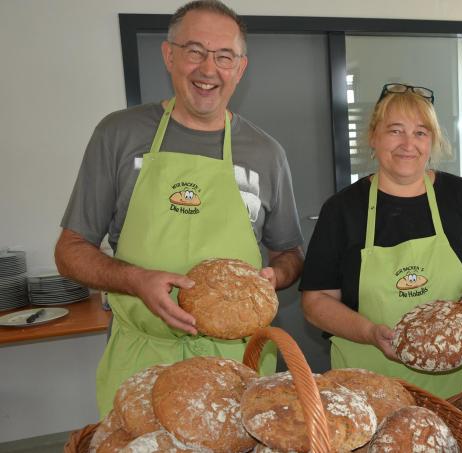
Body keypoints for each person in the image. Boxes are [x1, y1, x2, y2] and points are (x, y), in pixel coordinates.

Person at [54, 0, 304, 417]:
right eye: (194, 51)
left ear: (240, 68)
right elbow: (69, 250)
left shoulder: (266, 153)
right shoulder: (119, 134)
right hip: (142, 363)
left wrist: (273, 277)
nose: (208, 69)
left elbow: (290, 254)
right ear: (169, 55)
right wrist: (135, 279)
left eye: (224, 56)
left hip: (236, 369)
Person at [299, 83, 462, 397]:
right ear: (374, 136)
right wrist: (370, 332)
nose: (407, 144)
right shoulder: (342, 210)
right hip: (375, 391)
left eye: (420, 133)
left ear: (433, 141)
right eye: (395, 131)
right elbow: (315, 302)